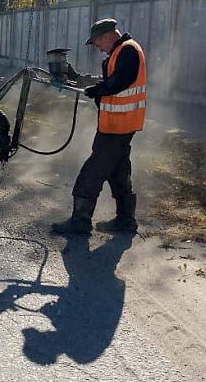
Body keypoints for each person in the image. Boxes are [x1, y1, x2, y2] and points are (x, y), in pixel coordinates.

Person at [52, 18, 146, 235]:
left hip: (118, 125)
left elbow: (118, 82)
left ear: (106, 36)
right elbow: (110, 81)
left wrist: (97, 90)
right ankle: (126, 220)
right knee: (118, 171)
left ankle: (80, 221)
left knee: (93, 170)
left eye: (98, 45)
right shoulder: (121, 52)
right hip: (119, 124)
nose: (100, 50)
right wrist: (81, 81)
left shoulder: (128, 50)